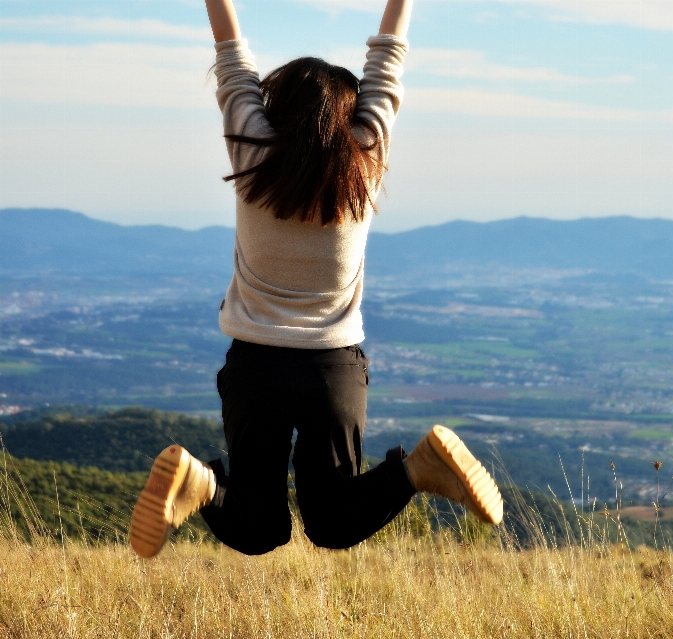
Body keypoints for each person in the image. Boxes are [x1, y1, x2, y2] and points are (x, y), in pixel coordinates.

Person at [129, 0, 503, 559]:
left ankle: (200, 483)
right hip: (332, 369)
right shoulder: (365, 160)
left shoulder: (252, 151)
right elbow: (388, 63)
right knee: (332, 521)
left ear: (275, 108)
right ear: (351, 115)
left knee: (256, 526)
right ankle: (420, 469)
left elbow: (231, 57)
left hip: (255, 364)